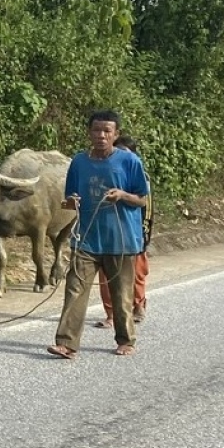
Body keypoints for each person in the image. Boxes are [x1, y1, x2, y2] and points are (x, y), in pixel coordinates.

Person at [47, 109, 150, 359]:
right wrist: (71, 202)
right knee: (74, 289)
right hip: (87, 238)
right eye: (96, 130)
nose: (101, 135)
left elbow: (142, 199)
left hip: (121, 239)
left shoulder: (129, 162)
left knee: (121, 291)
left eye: (107, 131)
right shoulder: (80, 162)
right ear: (89, 133)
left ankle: (126, 340)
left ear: (116, 134)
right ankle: (66, 344)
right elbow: (71, 197)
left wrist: (123, 195)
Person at [95, 135, 153, 328]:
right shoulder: (104, 173)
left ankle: (138, 305)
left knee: (136, 273)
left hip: (133, 232)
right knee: (106, 276)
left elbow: (147, 207)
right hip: (107, 232)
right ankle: (110, 314)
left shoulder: (140, 177)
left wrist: (144, 233)